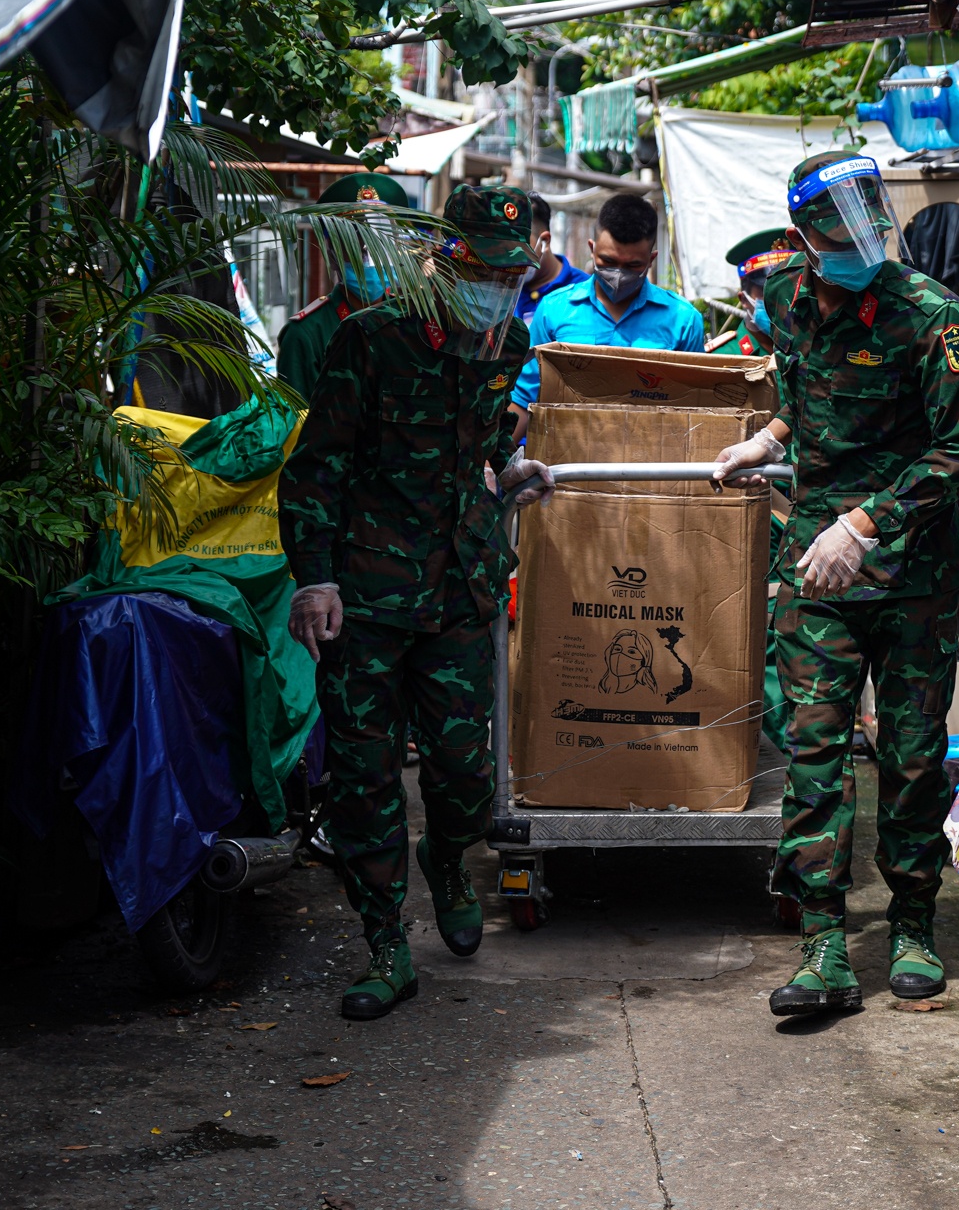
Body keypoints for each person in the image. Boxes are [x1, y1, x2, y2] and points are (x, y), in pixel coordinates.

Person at [710, 152, 959, 1018]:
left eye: (871, 230)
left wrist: (862, 526)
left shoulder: (930, 313)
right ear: (801, 238)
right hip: (815, 568)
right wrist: (767, 438)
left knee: (909, 757)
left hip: (910, 571)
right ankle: (824, 942)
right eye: (840, 237)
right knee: (815, 752)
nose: (862, 249)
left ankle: (912, 929)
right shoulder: (787, 297)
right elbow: (804, 392)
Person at [279, 184, 555, 1022]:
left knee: (466, 775)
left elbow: (475, 448)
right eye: (488, 273)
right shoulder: (371, 340)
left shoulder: (506, 342)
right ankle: (385, 947)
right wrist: (315, 578)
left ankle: (447, 855)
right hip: (365, 594)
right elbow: (315, 466)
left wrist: (507, 474)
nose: (500, 292)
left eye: (516, 276)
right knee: (364, 781)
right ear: (448, 260)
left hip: (460, 591)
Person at [508, 191, 705, 439]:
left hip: (651, 464)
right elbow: (523, 399)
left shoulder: (683, 320)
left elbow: (695, 410)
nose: (618, 274)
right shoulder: (555, 310)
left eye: (633, 265)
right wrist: (492, 464)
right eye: (608, 261)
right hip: (565, 464)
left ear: (651, 259)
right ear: (592, 249)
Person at [275, 173, 411, 400]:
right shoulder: (306, 335)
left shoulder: (411, 321)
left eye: (380, 245)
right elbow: (296, 423)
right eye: (357, 245)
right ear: (333, 251)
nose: (369, 258)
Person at [705, 229, 795, 357]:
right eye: (767, 291)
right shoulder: (722, 358)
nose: (781, 299)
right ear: (744, 300)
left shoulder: (814, 348)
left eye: (789, 288)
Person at [516, 190, 589, 326]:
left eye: (520, 245)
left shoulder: (584, 291)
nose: (512, 256)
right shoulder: (502, 290)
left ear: (545, 241)